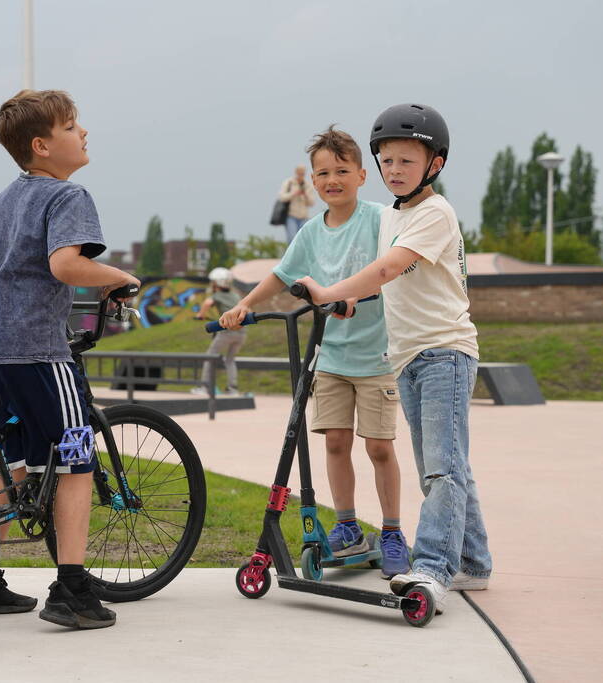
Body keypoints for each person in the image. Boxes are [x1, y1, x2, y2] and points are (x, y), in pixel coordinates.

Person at [295, 104, 492, 616]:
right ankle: (474, 563)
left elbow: (388, 268)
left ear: (435, 165)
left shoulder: (434, 213)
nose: (394, 169)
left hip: (443, 352)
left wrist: (330, 291)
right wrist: (349, 300)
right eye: (386, 160)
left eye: (407, 160)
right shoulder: (395, 217)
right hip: (406, 356)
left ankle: (432, 568)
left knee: (441, 470)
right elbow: (391, 283)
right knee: (445, 466)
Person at [0, 89, 139, 629]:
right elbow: (65, 265)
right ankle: (71, 591)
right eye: (72, 126)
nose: (84, 133)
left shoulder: (6, 199)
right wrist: (120, 277)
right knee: (76, 464)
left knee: (7, 468)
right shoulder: (68, 195)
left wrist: (13, 274)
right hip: (39, 352)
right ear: (42, 145)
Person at [221, 126, 410, 578]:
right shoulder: (310, 232)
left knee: (379, 446)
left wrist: (354, 296)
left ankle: (391, 532)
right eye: (323, 173)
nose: (332, 180)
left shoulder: (380, 219)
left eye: (342, 171)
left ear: (362, 175)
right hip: (330, 356)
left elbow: (394, 269)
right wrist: (245, 304)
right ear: (312, 182)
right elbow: (282, 274)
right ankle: (347, 525)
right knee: (336, 442)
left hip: (377, 356)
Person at [192, 267, 246, 397]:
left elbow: (207, 303)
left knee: (210, 356)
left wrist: (200, 315)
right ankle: (232, 389)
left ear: (217, 283)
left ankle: (204, 387)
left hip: (227, 332)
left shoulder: (217, 295)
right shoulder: (235, 295)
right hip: (242, 333)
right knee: (230, 360)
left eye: (213, 282)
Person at [278, 164, 317, 244]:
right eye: (299, 173)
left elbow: (312, 203)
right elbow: (282, 197)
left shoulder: (308, 185)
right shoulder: (289, 183)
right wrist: (293, 194)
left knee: (304, 240)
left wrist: (305, 195)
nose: (301, 175)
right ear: (296, 172)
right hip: (291, 216)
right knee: (292, 240)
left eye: (302, 173)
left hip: (304, 217)